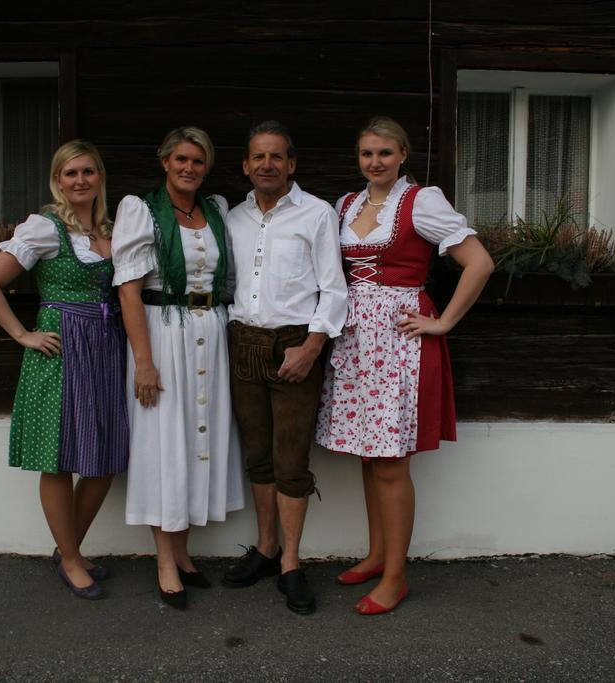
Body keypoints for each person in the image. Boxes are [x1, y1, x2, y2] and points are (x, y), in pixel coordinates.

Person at [315, 115, 494, 615]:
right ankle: (376, 555)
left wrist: (444, 323)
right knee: (371, 458)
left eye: (384, 153)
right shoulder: (346, 205)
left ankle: (396, 576)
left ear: (403, 155)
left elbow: (479, 263)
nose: (375, 162)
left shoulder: (422, 202)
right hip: (355, 340)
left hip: (397, 342)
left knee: (392, 462)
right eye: (366, 153)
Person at [0, 139, 128, 601]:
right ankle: (72, 558)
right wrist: (23, 334)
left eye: (88, 172)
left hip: (105, 347)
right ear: (57, 181)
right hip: (61, 348)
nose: (80, 180)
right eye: (70, 173)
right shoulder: (45, 228)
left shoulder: (110, 231)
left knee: (104, 458)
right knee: (59, 458)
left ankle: (67, 551)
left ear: (99, 176)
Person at [112, 126, 244, 610]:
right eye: (181, 159)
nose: (189, 168)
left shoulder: (215, 210)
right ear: (164, 161)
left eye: (198, 161)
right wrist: (143, 361)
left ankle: (184, 554)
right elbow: (129, 288)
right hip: (162, 334)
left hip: (209, 330)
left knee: (196, 438)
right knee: (163, 439)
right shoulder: (141, 210)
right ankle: (164, 561)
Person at [222, 121, 348, 615]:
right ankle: (267, 547)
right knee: (258, 455)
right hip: (243, 345)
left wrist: (313, 346)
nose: (267, 165)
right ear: (246, 165)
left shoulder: (316, 214)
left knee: (291, 461)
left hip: (295, 347)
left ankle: (291, 564)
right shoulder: (232, 217)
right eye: (258, 157)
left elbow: (334, 288)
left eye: (276, 157)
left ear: (291, 164)